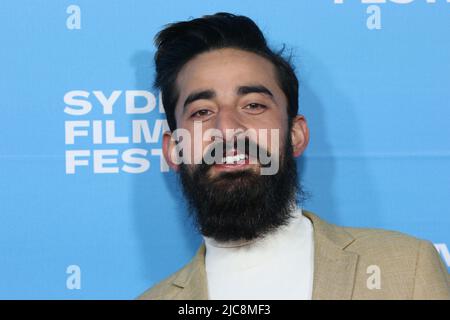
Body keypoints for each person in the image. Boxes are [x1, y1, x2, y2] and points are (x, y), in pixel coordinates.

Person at [138, 12, 449, 300]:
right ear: (174, 150)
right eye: (202, 111)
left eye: (254, 105)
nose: (228, 129)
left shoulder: (408, 270)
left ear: (295, 135)